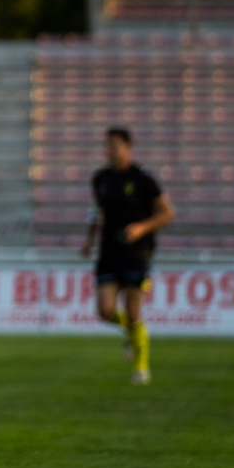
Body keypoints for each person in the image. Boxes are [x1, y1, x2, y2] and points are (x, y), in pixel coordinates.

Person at [81, 128, 175, 385]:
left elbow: (167, 212)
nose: (109, 150)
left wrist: (141, 228)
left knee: (133, 312)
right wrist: (89, 240)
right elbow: (96, 212)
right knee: (105, 310)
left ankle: (141, 368)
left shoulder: (143, 178)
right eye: (107, 145)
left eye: (114, 145)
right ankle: (133, 332)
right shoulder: (100, 178)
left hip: (137, 250)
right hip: (109, 249)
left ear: (127, 147)